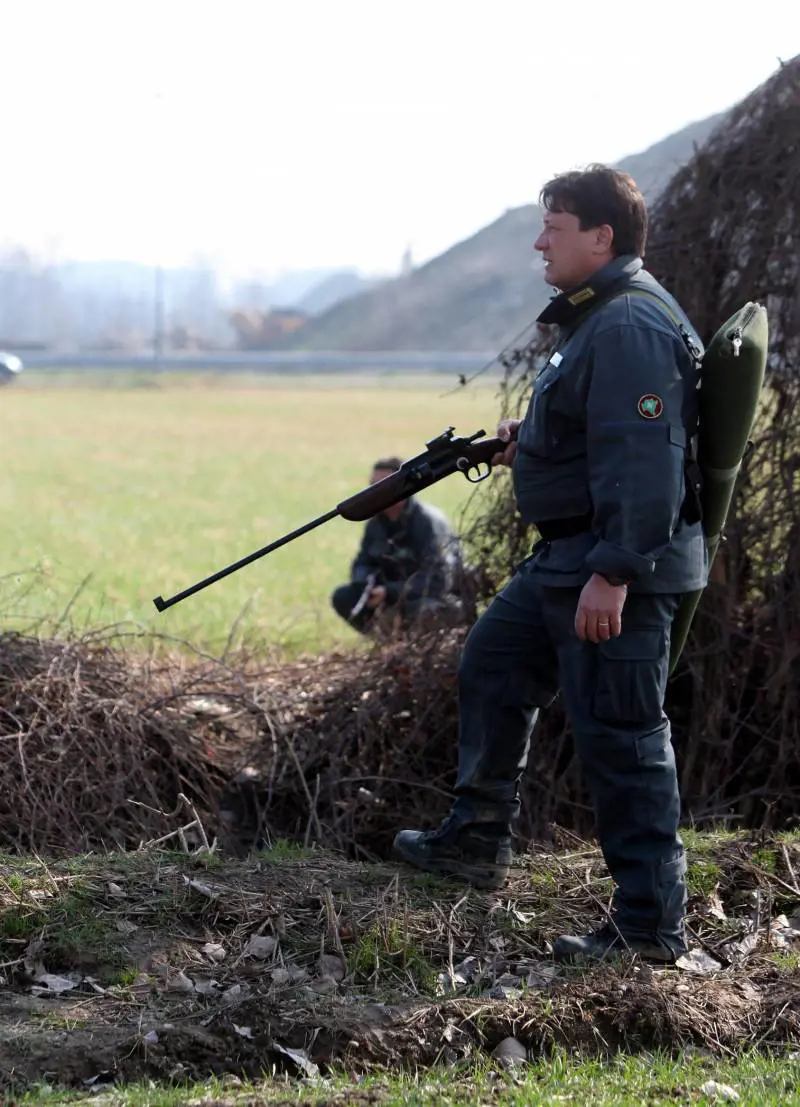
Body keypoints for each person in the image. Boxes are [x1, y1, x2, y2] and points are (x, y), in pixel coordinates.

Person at [393, 164, 708, 965]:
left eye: (555, 226)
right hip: (566, 559)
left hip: (610, 568)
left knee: (624, 740)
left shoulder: (630, 325)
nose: (540, 240)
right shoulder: (597, 319)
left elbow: (649, 462)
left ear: (602, 237)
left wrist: (615, 571)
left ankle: (648, 928)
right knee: (494, 665)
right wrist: (525, 442)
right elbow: (593, 436)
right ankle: (475, 841)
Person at [331, 456, 464, 635]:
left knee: (426, 610)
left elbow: (438, 579)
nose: (372, 493)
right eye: (372, 486)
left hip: (434, 598)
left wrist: (390, 592)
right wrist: (365, 586)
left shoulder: (427, 522)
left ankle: (425, 649)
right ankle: (385, 644)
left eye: (380, 487)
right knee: (344, 597)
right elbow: (362, 562)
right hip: (389, 595)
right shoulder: (376, 523)